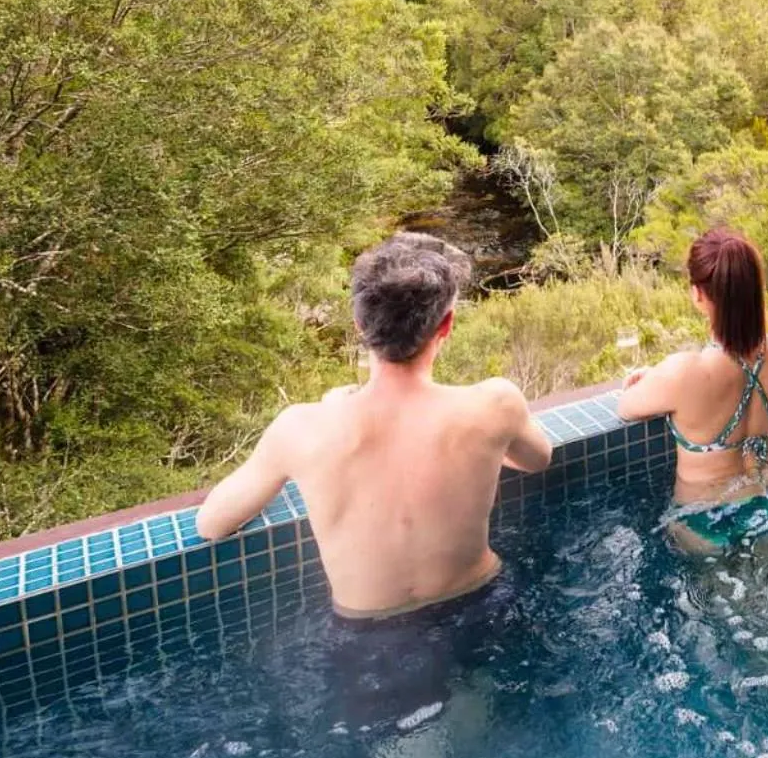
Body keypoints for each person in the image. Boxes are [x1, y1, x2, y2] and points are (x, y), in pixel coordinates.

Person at [195, 232, 555, 618]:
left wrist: (332, 412)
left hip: (368, 632)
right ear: (446, 325)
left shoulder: (301, 430)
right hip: (485, 602)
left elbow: (212, 524)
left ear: (360, 326)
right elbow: (538, 460)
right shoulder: (496, 405)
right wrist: (483, 449)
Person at [616, 228, 768, 552]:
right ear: (757, 288)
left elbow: (625, 407)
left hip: (707, 518)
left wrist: (653, 377)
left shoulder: (681, 373)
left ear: (698, 295)